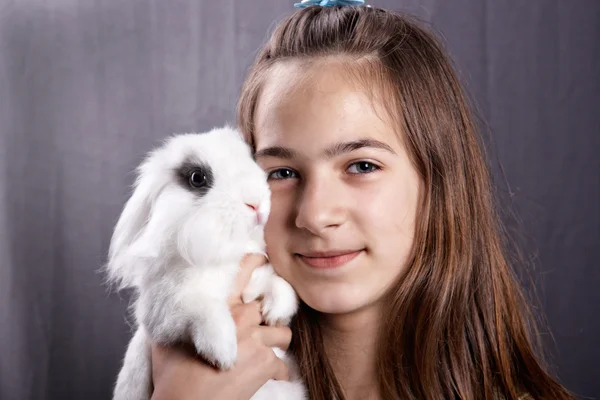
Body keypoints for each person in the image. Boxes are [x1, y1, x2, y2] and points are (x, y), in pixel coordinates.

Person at [149, 3, 575, 399]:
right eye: (281, 173)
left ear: (439, 182)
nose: (315, 215)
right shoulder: (178, 375)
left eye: (362, 166)